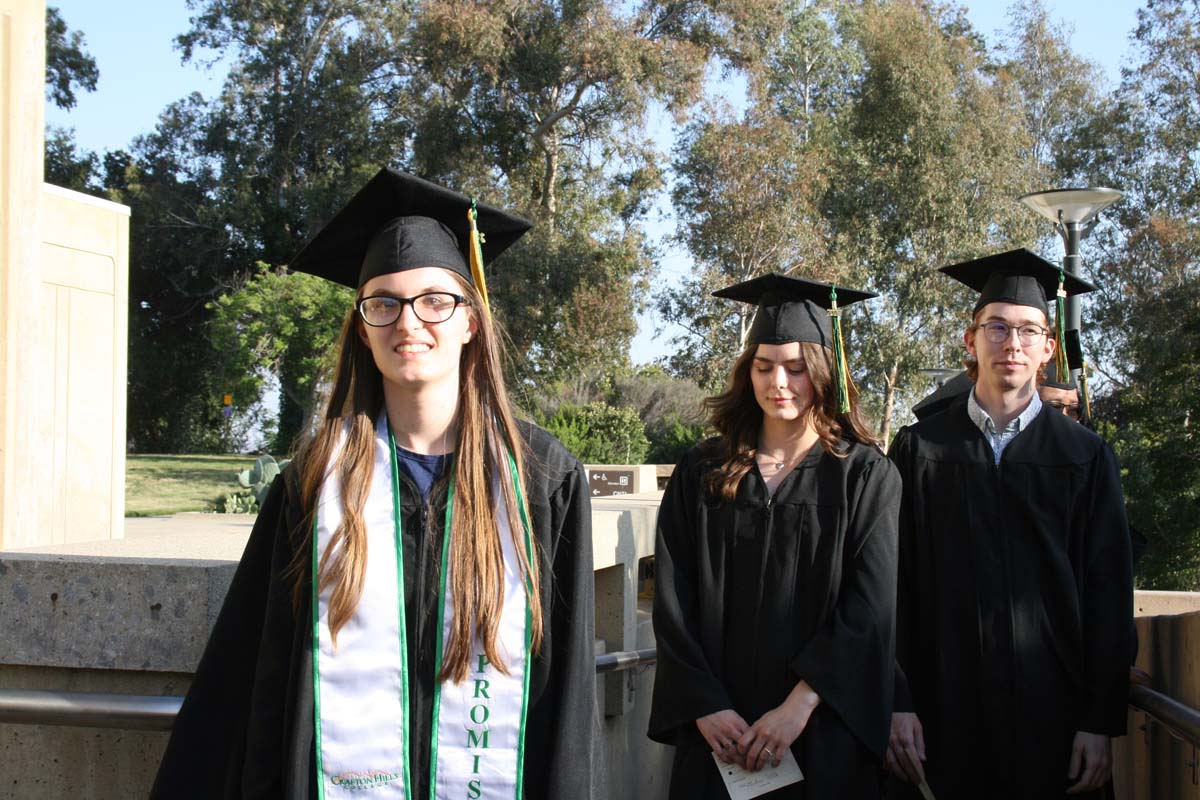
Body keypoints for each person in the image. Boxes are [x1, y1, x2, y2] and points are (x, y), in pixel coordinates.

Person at [150, 168, 598, 800]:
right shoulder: (315, 483)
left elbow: (568, 690)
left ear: (472, 321)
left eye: (434, 300)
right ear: (363, 326)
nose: (408, 322)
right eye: (382, 303)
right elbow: (257, 674)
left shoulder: (541, 480)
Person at [886, 248, 1133, 799]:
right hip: (941, 712)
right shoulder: (920, 447)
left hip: (1057, 716)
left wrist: (1100, 719)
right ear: (969, 340)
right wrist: (897, 701)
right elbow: (891, 587)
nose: (1011, 343)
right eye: (995, 327)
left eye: (1027, 330)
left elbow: (1108, 594)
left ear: (1048, 347)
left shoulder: (1085, 455)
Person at [649, 274, 902, 799]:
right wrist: (704, 704)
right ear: (748, 373)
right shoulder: (704, 471)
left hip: (822, 732)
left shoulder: (863, 476)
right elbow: (674, 599)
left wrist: (798, 707)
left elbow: (869, 608)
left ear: (822, 374)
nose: (778, 383)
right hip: (720, 735)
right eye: (764, 367)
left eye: (795, 368)